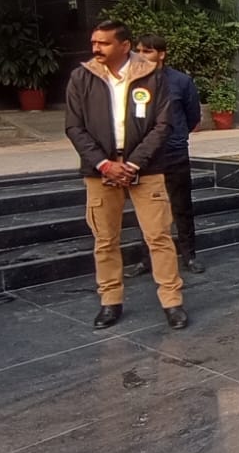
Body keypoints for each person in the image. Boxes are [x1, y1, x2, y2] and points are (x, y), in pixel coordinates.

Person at [64, 19, 187, 330]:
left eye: (104, 43)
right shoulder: (82, 77)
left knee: (159, 237)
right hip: (100, 171)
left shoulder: (152, 75)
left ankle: (172, 302)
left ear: (124, 45)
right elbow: (74, 127)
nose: (96, 48)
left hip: (146, 169)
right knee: (105, 240)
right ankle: (110, 301)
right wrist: (104, 164)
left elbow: (163, 124)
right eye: (94, 42)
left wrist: (133, 164)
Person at [122, 34, 203, 279]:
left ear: (161, 54)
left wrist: (176, 135)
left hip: (174, 152)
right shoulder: (132, 80)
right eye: (138, 51)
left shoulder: (180, 81)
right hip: (144, 156)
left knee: (181, 206)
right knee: (147, 209)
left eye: (147, 51)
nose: (141, 55)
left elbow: (193, 116)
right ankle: (146, 259)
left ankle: (189, 255)